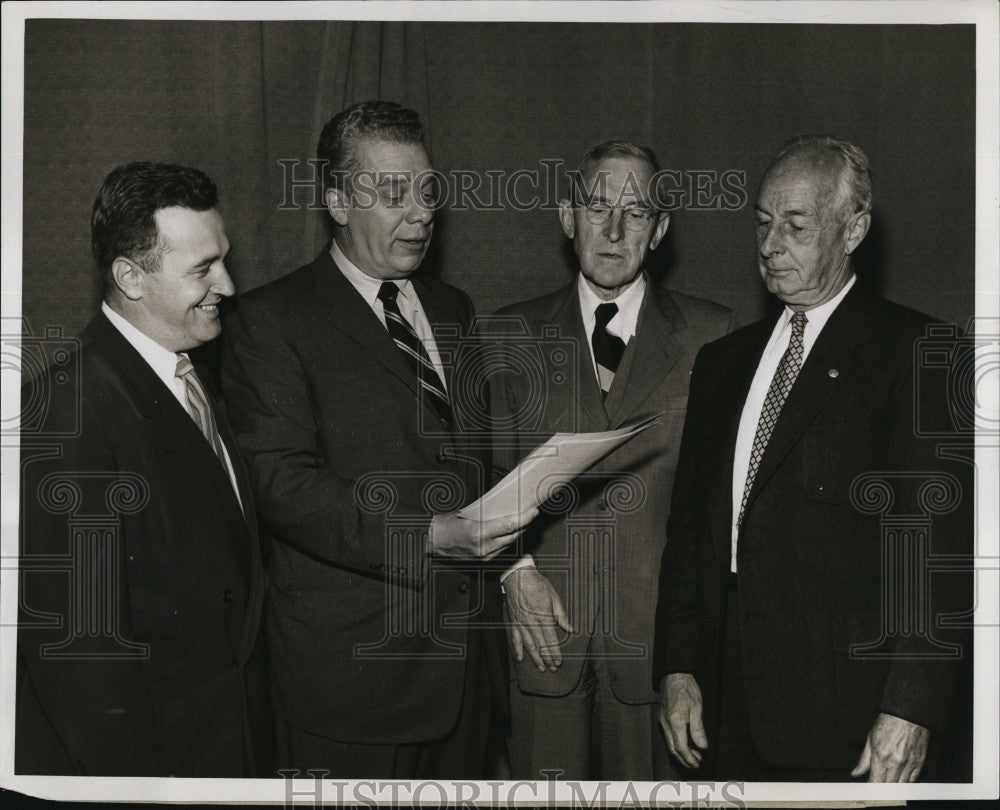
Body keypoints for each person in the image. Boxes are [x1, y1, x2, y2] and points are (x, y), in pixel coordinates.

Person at [221, 100, 536, 779]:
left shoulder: (453, 308)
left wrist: (514, 562)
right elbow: (284, 487)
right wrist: (429, 534)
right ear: (336, 199)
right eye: (394, 193)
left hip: (464, 679)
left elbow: (469, 462)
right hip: (352, 688)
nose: (421, 212)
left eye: (428, 190)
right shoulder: (270, 321)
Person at [654, 136, 973, 782]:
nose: (770, 246)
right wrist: (678, 665)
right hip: (724, 703)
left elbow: (937, 556)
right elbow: (690, 532)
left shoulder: (918, 351)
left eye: (795, 226)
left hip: (850, 712)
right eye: (763, 224)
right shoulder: (722, 364)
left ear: (853, 229)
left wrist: (911, 709)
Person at [16, 162, 272, 776]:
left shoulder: (192, 368)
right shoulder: (68, 411)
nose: (230, 287)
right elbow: (81, 659)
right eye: (203, 269)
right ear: (130, 277)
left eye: (224, 259)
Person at [489, 140, 733, 780]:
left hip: (660, 655)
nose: (615, 229)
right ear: (568, 217)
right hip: (542, 639)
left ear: (660, 231)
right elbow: (483, 472)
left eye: (637, 212)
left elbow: (724, 502)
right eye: (598, 207)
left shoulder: (716, 336)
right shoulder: (508, 334)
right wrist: (514, 573)